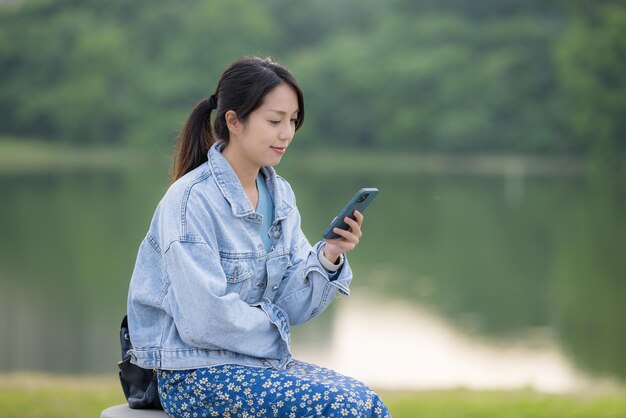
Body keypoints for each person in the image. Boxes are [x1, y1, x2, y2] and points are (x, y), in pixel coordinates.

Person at [126, 56, 390, 417]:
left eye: (293, 121)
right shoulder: (190, 201)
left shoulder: (280, 196)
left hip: (256, 364)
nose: (287, 133)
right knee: (341, 408)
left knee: (365, 401)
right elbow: (205, 319)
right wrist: (275, 325)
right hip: (192, 375)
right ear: (234, 121)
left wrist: (329, 255)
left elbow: (291, 304)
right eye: (274, 120)